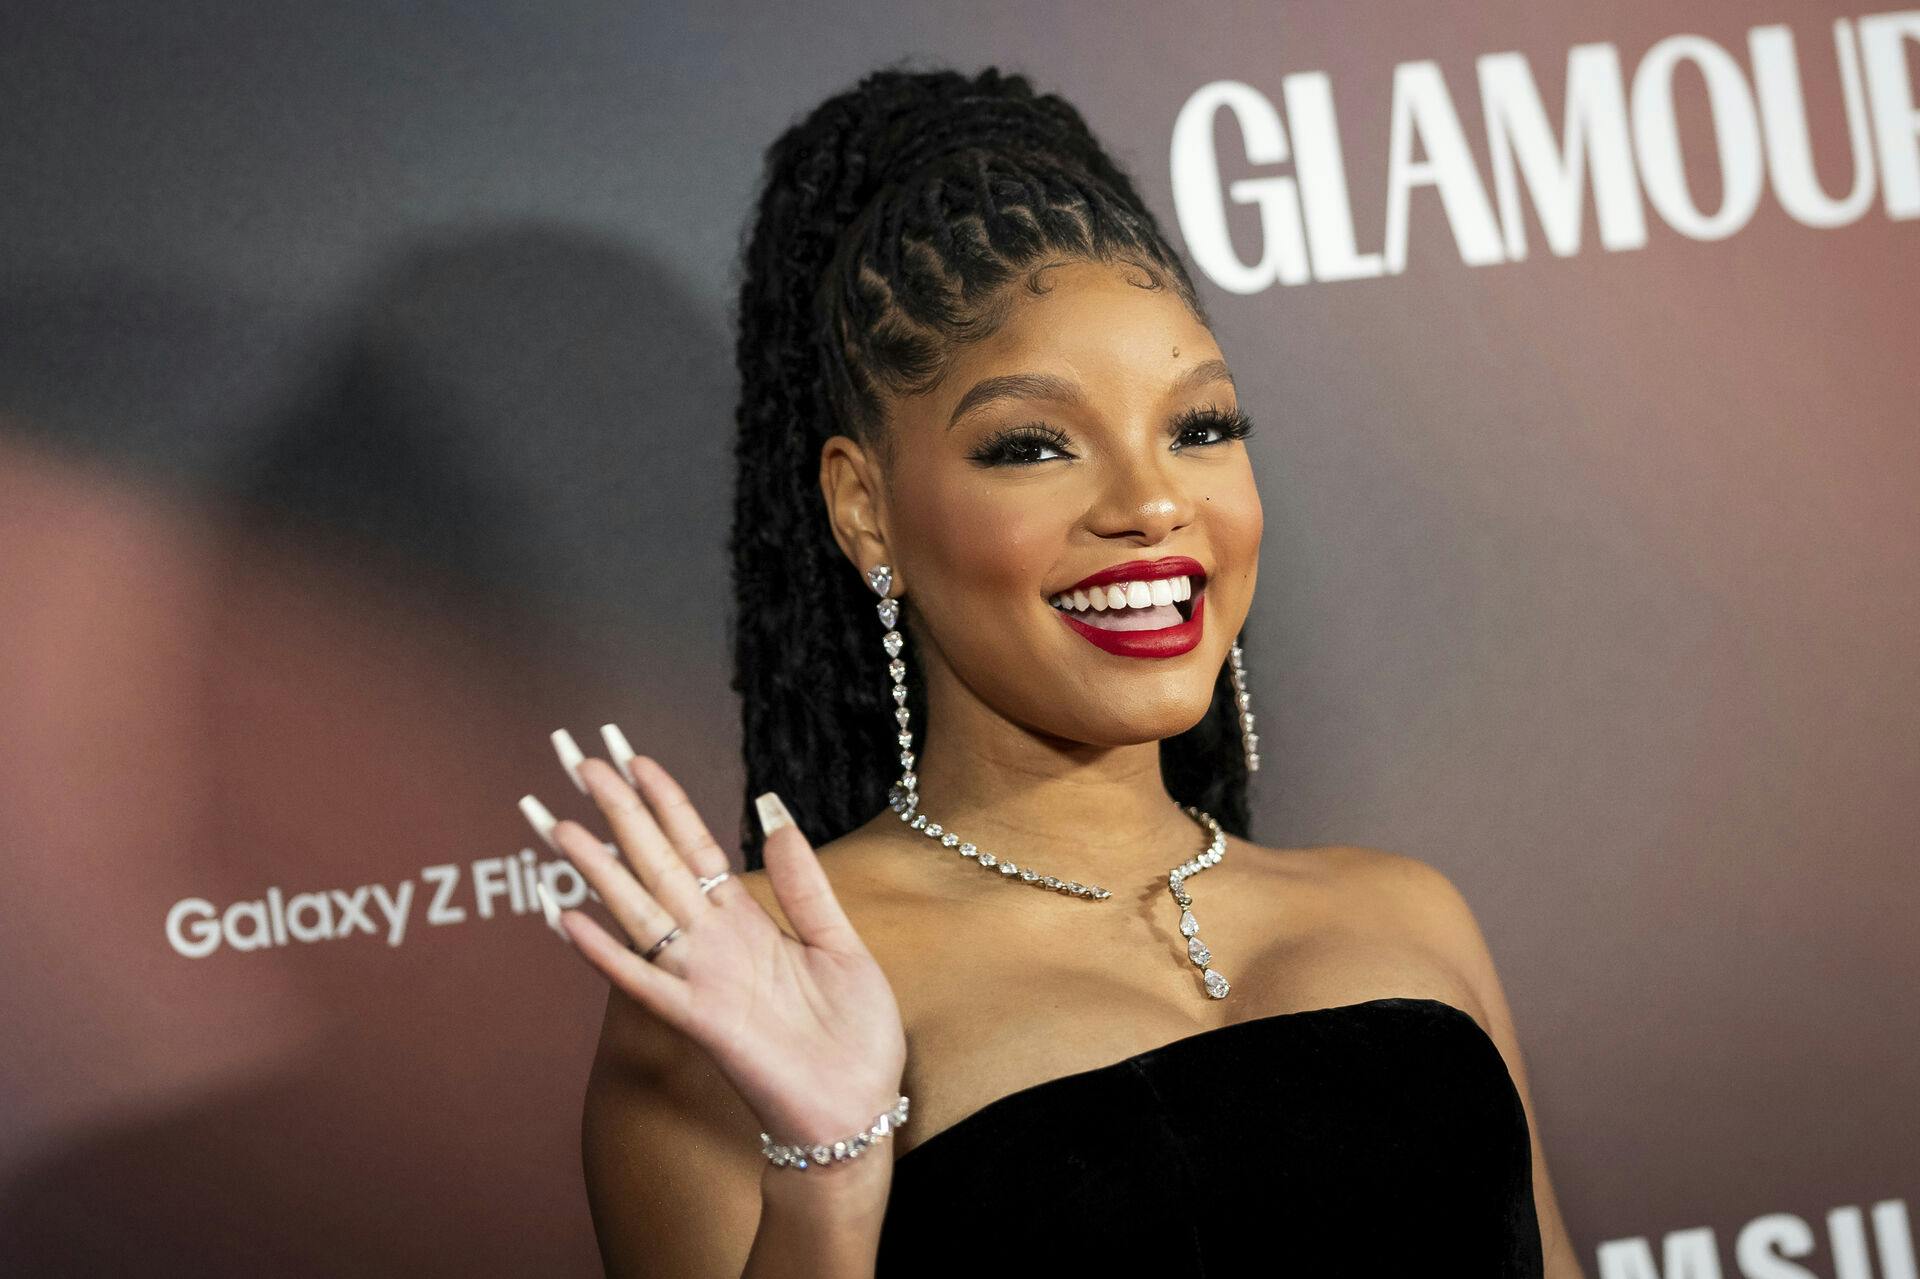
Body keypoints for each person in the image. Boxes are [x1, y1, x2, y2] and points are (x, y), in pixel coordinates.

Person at [522, 65, 1584, 1278]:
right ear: (865, 510)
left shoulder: (1408, 913)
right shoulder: (756, 990)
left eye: (1201, 427)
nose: (1150, 503)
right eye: (1033, 445)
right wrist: (827, 1170)